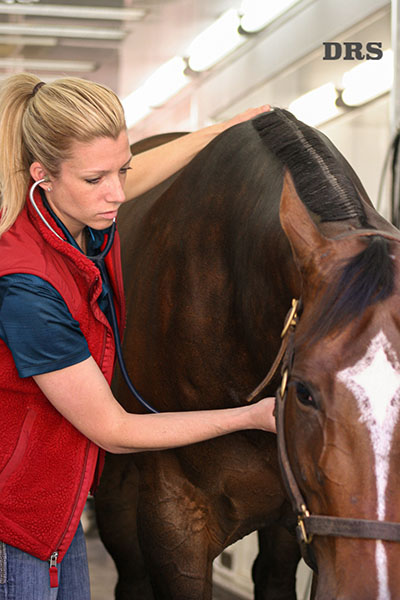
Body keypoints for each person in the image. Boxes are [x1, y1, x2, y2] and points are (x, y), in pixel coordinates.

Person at [0, 73, 276, 600]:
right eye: (96, 179)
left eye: (121, 169)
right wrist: (251, 416)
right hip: (14, 526)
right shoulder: (26, 288)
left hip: (54, 510)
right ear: (43, 176)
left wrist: (223, 130)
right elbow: (113, 428)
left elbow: (131, 171)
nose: (119, 193)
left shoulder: (74, 213)